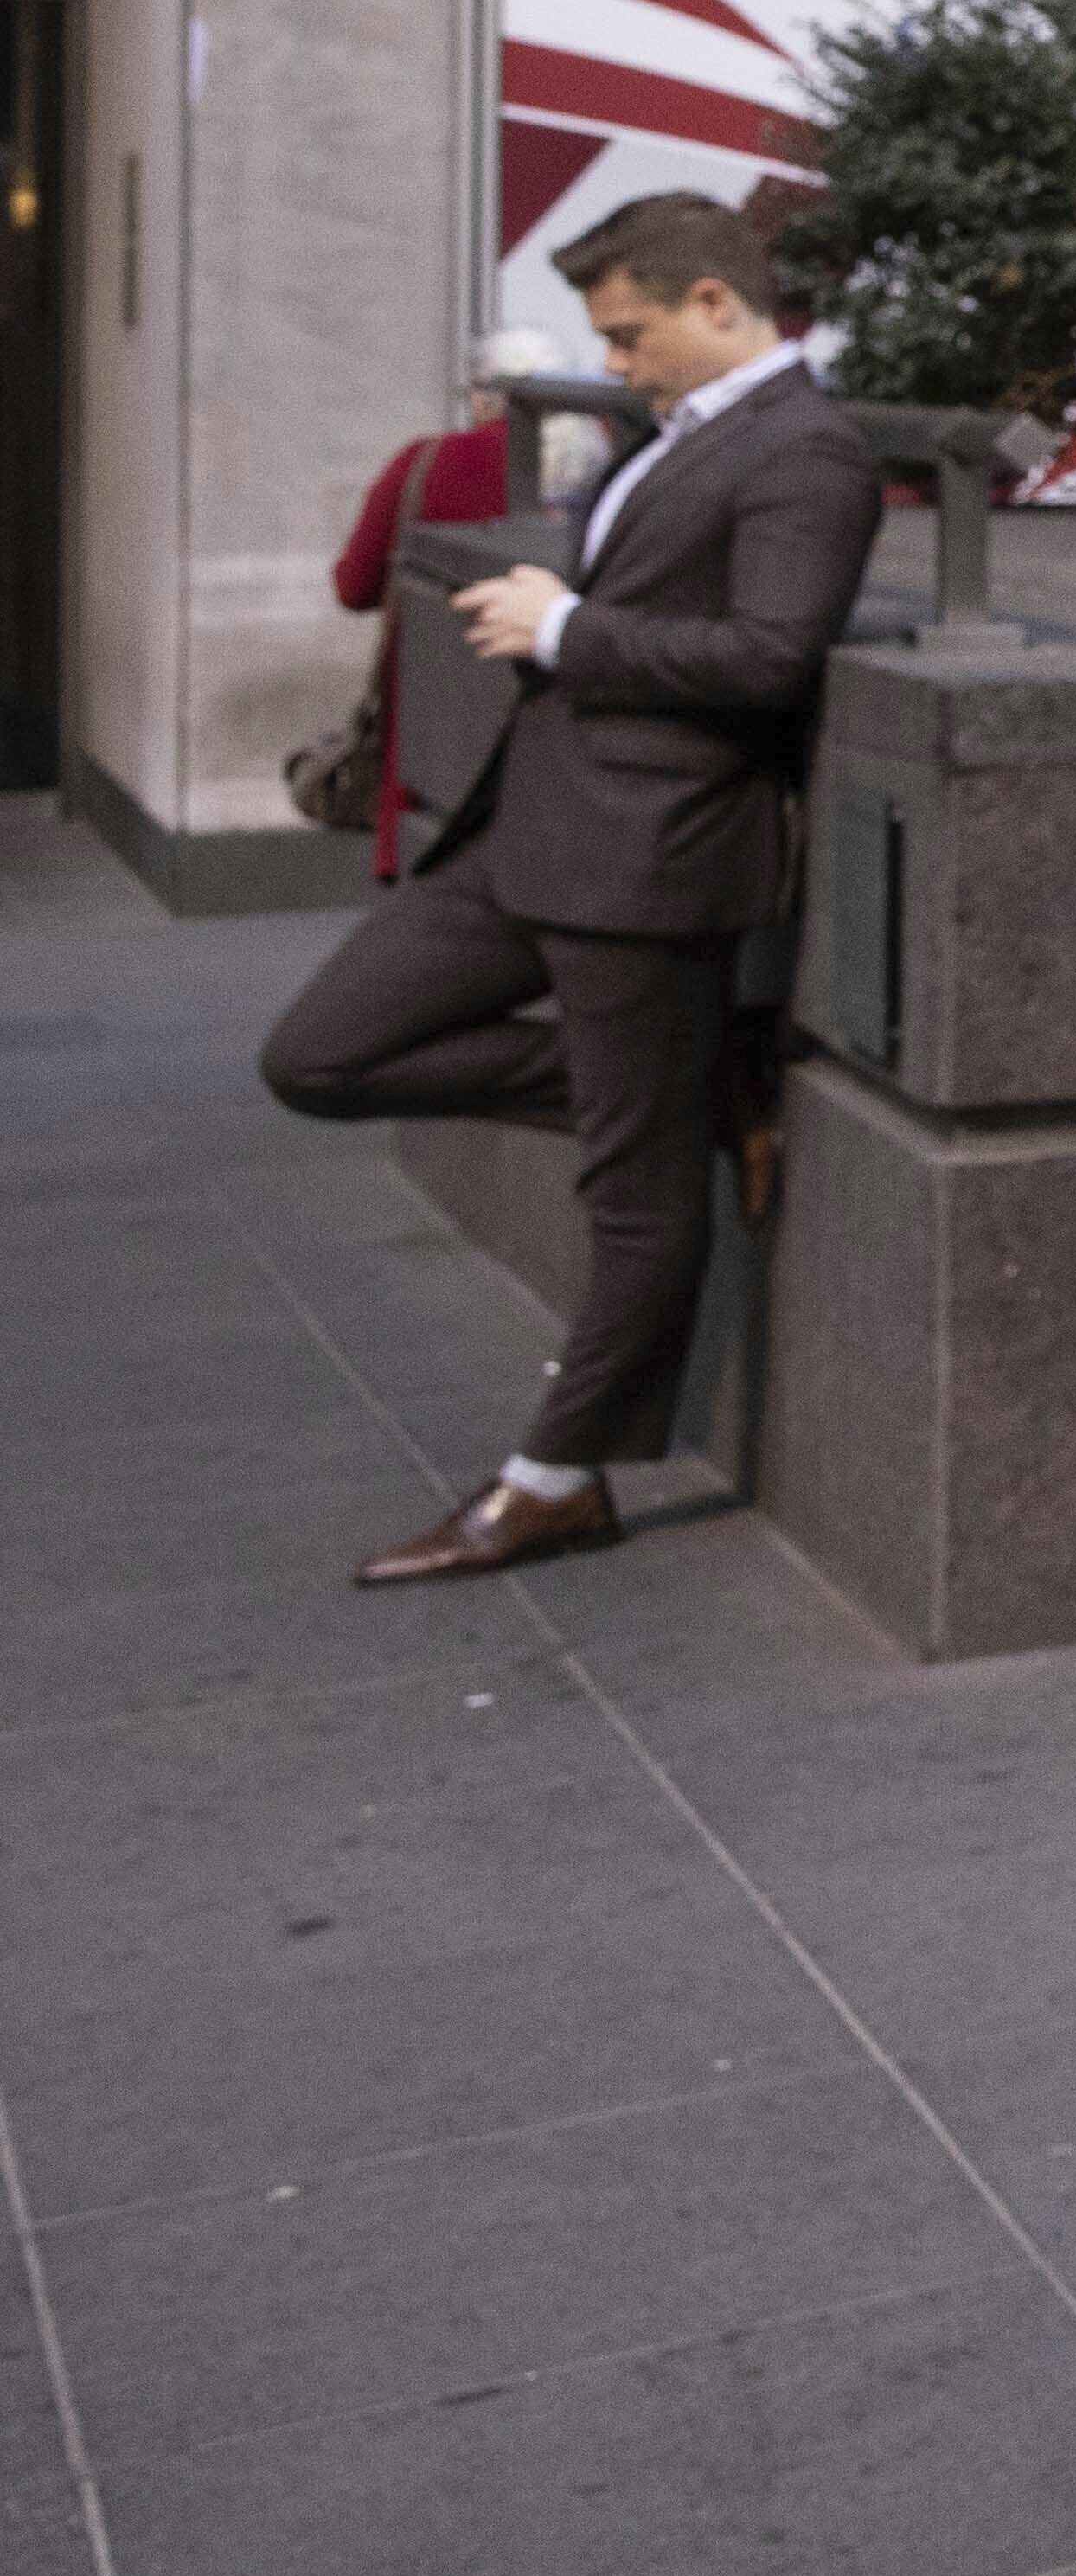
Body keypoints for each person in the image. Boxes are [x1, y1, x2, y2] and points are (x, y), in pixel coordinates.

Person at [259, 193, 883, 1584]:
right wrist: (570, 617)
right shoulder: (684, 436)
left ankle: (556, 1478)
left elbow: (771, 656)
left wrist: (571, 626)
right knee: (317, 1054)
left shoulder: (810, 452)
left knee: (637, 1196)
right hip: (527, 833)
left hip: (653, 863)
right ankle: (698, 1096)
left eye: (631, 332)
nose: (616, 363)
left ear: (717, 304)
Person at [317, 326, 599, 881]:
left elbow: (355, 587)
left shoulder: (432, 461)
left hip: (440, 723)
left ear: (482, 394)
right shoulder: (614, 464)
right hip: (575, 719)